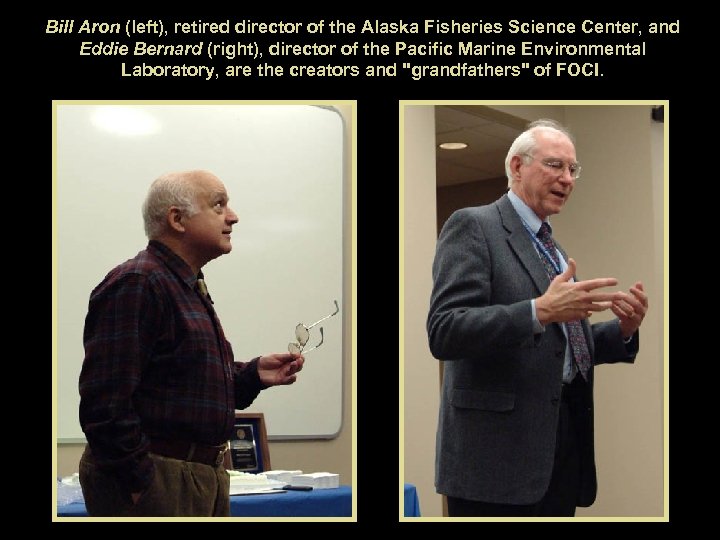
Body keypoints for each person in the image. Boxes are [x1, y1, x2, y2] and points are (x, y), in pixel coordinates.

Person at [427, 119, 648, 517]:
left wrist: (623, 331)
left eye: (572, 169)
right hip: (493, 462)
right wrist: (539, 310)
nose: (567, 178)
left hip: (558, 447)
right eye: (554, 165)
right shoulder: (473, 226)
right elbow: (445, 330)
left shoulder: (553, 247)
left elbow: (561, 346)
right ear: (516, 167)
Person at [78, 170, 304, 517]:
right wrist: (141, 486)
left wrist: (252, 374)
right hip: (160, 480)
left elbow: (185, 386)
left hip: (198, 478)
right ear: (177, 219)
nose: (233, 216)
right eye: (218, 205)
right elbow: (104, 405)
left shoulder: (185, 284)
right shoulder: (139, 282)